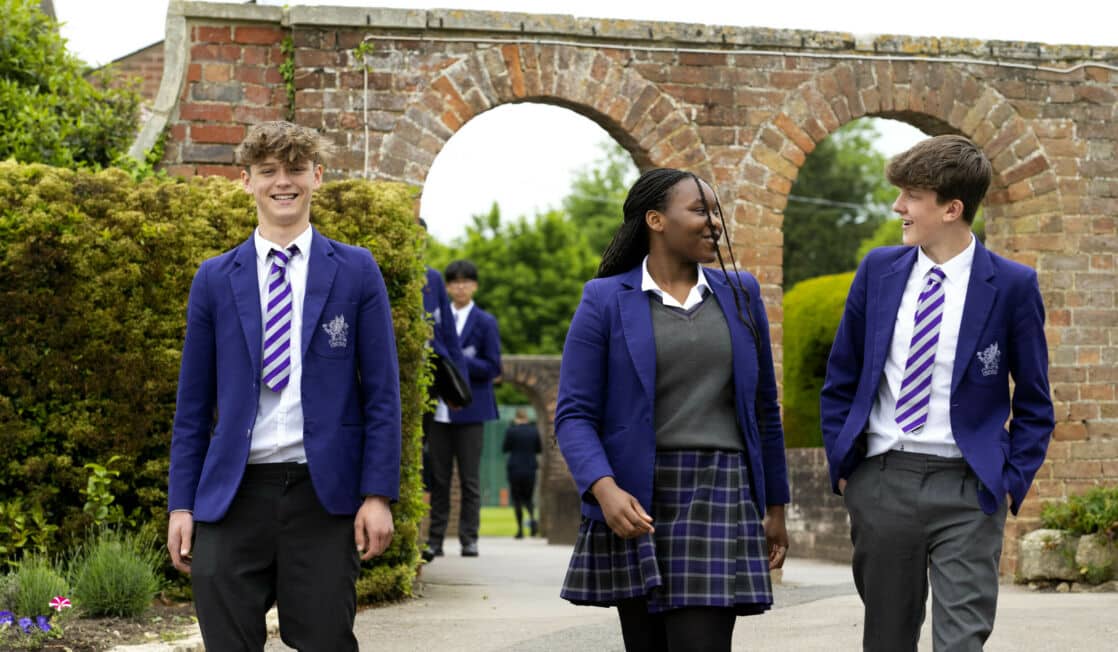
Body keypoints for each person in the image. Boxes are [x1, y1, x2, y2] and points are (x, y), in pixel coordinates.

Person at [166, 121, 401, 651]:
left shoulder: (357, 271)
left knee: (325, 640)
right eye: (267, 171)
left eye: (295, 169)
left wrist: (378, 494)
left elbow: (382, 393)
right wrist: (181, 504)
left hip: (323, 495)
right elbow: (193, 407)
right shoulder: (214, 279)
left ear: (316, 177)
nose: (283, 182)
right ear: (245, 181)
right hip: (234, 493)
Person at [820, 135, 1055, 651]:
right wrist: (846, 468)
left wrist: (1009, 481)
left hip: (969, 490)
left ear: (952, 208)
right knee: (887, 640)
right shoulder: (877, 271)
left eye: (911, 196)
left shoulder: (1013, 286)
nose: (897, 206)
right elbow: (841, 378)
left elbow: (1036, 402)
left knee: (961, 642)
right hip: (883, 483)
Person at [555, 168, 790, 652]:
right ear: (656, 219)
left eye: (716, 211)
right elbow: (574, 414)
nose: (714, 223)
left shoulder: (741, 292)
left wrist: (776, 507)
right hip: (636, 498)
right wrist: (605, 491)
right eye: (700, 210)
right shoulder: (604, 299)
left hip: (720, 490)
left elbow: (764, 407)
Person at [423, 259, 501, 560]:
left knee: (469, 479)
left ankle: (469, 539)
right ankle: (435, 540)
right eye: (454, 282)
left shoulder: (485, 322)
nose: (460, 287)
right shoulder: (437, 317)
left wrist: (457, 360)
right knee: (438, 480)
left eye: (466, 282)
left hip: (471, 410)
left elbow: (493, 366)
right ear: (446, 287)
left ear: (475, 286)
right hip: (440, 410)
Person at [417, 218, 469, 492]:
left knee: (420, 446)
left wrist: (457, 384)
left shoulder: (433, 279)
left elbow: (448, 334)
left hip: (429, 377)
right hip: (398, 373)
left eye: (421, 237)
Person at [502, 408, 542, 539]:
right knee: (528, 498)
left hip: (515, 468)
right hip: (530, 468)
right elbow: (538, 449)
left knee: (517, 499)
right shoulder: (534, 431)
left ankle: (520, 530)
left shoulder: (511, 431)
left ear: (516, 417)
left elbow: (505, 448)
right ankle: (532, 520)